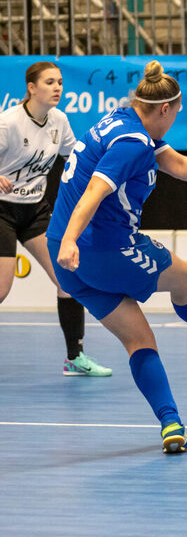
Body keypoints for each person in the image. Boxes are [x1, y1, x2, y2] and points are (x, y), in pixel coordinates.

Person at [48, 61, 187, 454]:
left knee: (139, 340)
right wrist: (71, 240)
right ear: (165, 109)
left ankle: (172, 425)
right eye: (176, 112)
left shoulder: (122, 120)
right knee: (185, 278)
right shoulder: (133, 143)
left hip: (69, 260)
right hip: (101, 249)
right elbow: (95, 191)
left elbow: (176, 163)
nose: (175, 119)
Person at [0, 61, 110, 376]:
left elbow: (76, 159)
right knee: (2, 289)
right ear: (31, 88)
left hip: (35, 209)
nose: (57, 87)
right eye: (49, 82)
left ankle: (75, 358)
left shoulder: (59, 121)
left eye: (60, 82)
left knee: (68, 279)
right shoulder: (8, 123)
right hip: (1, 211)